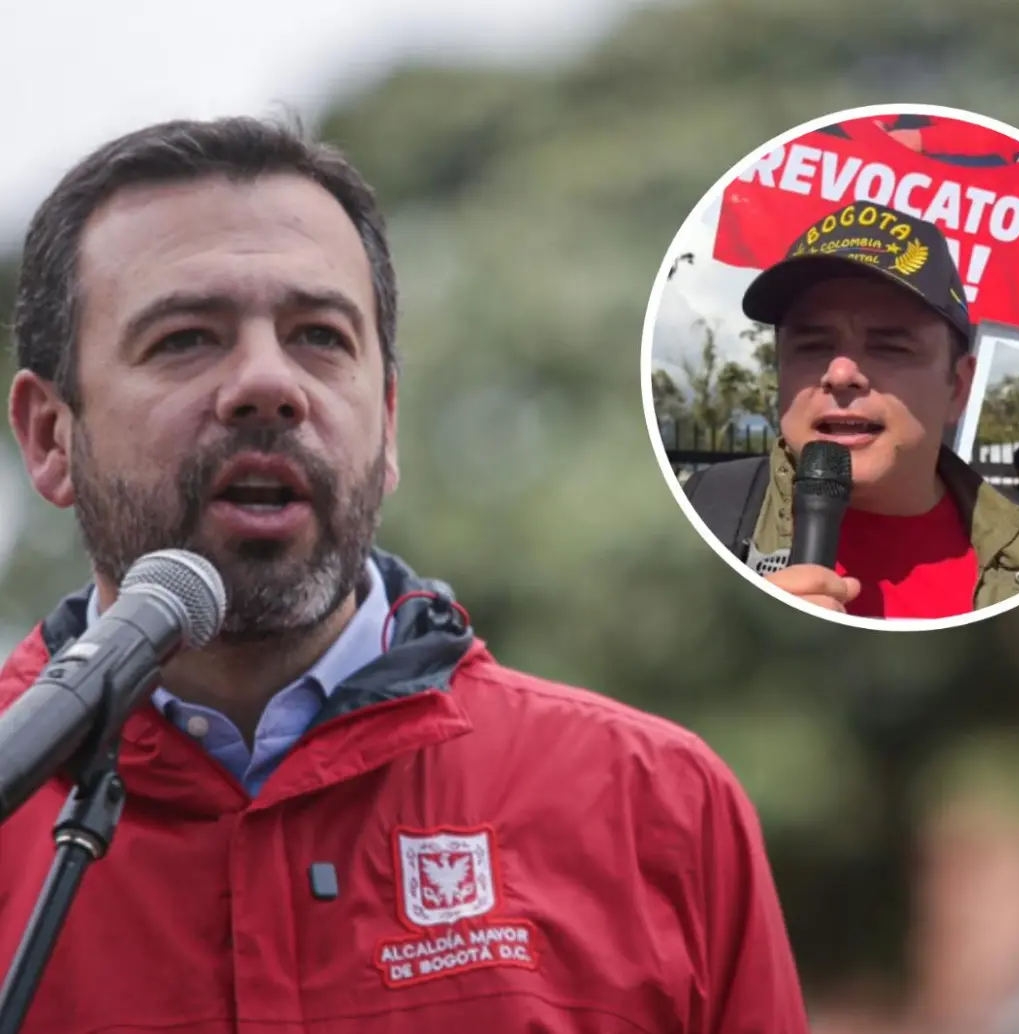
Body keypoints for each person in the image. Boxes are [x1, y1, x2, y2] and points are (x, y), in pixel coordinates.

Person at [0, 117, 809, 1034]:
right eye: (186, 338)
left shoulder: (655, 807)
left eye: (319, 335)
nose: (268, 383)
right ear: (49, 438)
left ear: (386, 422)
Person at [685, 201, 1019, 620]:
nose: (840, 372)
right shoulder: (699, 515)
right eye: (812, 346)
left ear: (957, 387)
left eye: (890, 347)